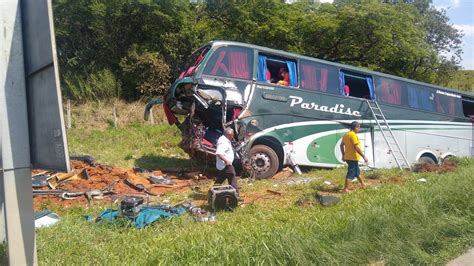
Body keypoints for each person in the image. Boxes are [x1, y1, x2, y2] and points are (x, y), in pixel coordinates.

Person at [339, 121, 368, 193]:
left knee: (357, 172)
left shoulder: (346, 134)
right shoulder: (353, 135)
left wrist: (343, 155)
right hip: (353, 157)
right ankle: (346, 189)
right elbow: (356, 147)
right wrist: (364, 156)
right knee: (351, 173)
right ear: (356, 127)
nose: (359, 129)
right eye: (359, 128)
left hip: (348, 157)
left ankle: (363, 184)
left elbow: (341, 145)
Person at [215, 127, 240, 197]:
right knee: (232, 177)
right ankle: (236, 196)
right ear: (229, 134)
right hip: (226, 165)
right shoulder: (223, 141)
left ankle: (213, 190)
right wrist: (226, 161)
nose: (233, 137)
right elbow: (219, 153)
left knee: (220, 180)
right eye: (232, 135)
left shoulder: (224, 139)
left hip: (222, 165)